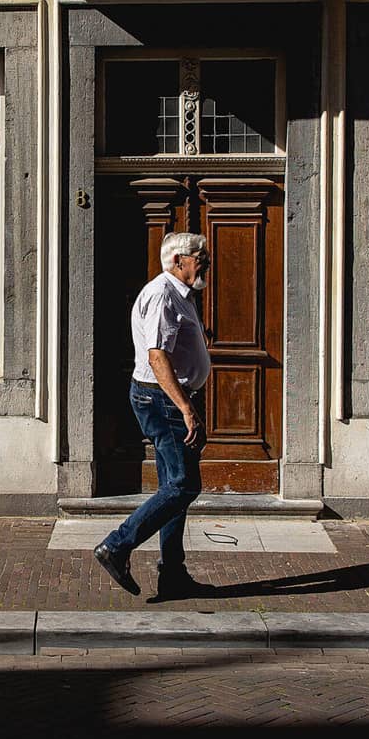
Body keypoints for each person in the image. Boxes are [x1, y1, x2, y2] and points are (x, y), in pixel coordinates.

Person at [94, 231, 212, 600]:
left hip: (167, 398)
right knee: (183, 485)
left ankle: (173, 575)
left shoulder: (180, 294)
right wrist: (185, 408)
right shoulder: (162, 294)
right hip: (163, 400)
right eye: (200, 257)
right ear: (178, 261)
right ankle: (117, 546)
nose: (206, 263)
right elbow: (157, 356)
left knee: (173, 487)